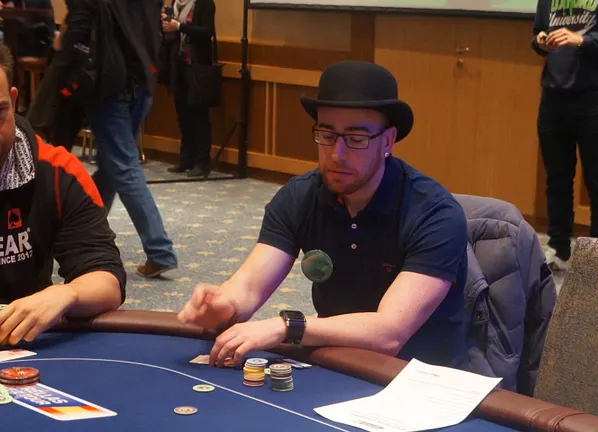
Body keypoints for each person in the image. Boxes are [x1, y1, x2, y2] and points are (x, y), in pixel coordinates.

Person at [178, 60, 469, 369]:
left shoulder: (435, 214)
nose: (337, 154)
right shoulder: (299, 196)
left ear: (387, 141)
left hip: (420, 377)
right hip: (339, 364)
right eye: (327, 134)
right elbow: (248, 287)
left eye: (356, 139)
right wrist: (223, 305)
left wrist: (287, 326)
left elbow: (389, 333)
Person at [0, 44, 126, 345]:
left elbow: (106, 278)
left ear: (14, 102)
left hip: (18, 346)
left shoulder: (58, 171)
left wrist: (67, 293)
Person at [62, 0, 178, 277]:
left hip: (108, 83)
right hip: (142, 80)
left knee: (123, 166)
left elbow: (77, 33)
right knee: (112, 166)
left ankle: (159, 250)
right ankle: (86, 229)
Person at [531, 0, 598, 270]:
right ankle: (559, 248)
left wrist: (581, 39)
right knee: (557, 179)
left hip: (595, 100)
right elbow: (538, 32)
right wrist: (541, 41)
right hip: (553, 97)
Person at [160, 0, 215, 177]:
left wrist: (179, 27)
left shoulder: (204, 3)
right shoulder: (176, 2)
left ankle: (202, 161)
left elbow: (207, 31)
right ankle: (186, 159)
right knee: (183, 115)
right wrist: (166, 24)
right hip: (178, 66)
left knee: (198, 115)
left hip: (196, 66)